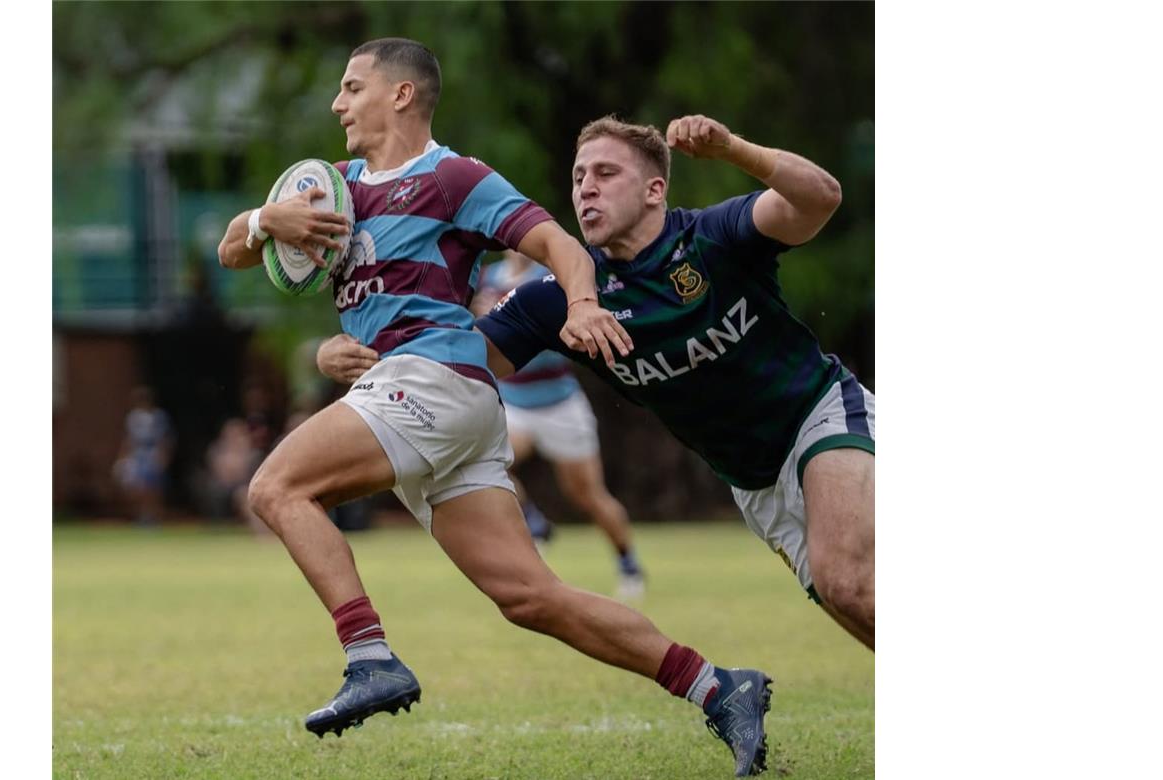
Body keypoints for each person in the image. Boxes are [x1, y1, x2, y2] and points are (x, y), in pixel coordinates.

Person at [219, 40, 772, 776]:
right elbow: (233, 251)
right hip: (438, 397)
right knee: (529, 595)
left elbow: (560, 246)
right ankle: (719, 687)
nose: (338, 104)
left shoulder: (453, 177)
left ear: (402, 95)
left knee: (276, 486)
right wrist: (266, 223)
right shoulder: (333, 189)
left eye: (352, 88)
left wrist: (580, 305)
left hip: (437, 380)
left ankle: (369, 656)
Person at [319, 114, 875, 651]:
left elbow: (821, 197)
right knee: (856, 603)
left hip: (820, 413)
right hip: (753, 484)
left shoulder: (714, 237)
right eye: (579, 177)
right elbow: (451, 371)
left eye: (607, 174)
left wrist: (733, 149)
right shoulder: (555, 297)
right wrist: (348, 352)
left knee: (846, 580)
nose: (587, 189)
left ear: (655, 190)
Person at [472, 249, 645, 598]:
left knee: (587, 496)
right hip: (513, 402)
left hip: (559, 404)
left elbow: (554, 336)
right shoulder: (488, 279)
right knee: (480, 462)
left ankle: (627, 559)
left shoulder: (553, 277)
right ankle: (534, 521)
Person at [112, 385, 174, 526]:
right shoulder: (133, 417)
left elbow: (165, 438)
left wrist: (163, 455)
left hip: (153, 453)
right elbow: (128, 439)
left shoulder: (159, 416)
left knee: (154, 487)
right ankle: (141, 515)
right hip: (138, 455)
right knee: (137, 487)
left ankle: (155, 516)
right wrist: (122, 457)